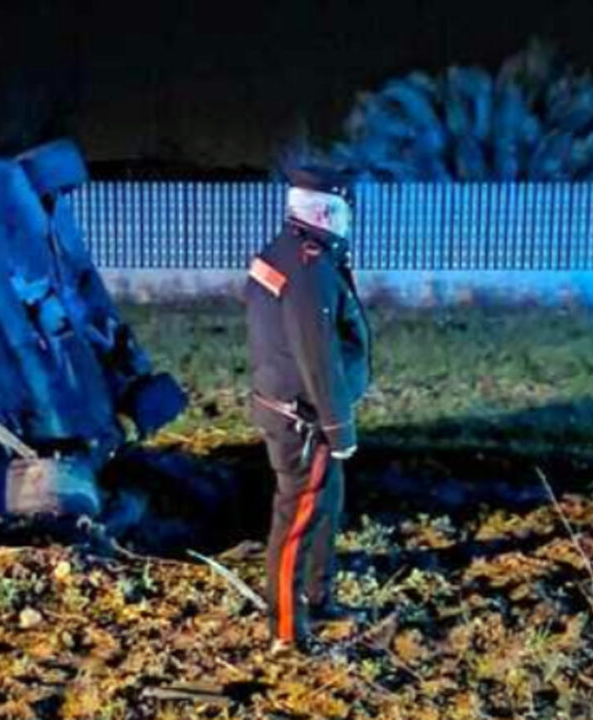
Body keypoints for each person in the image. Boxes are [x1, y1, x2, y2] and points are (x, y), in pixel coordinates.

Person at [244, 166, 371, 654]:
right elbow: (317, 356)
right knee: (296, 520)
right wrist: (341, 429)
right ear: (325, 211)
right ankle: (285, 631)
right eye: (344, 211)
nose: (349, 221)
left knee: (326, 504)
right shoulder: (310, 268)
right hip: (304, 418)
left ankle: (319, 596)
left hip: (286, 405)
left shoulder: (285, 251)